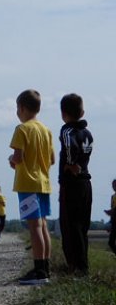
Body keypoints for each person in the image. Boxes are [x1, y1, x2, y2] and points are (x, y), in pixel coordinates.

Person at [8, 89, 55, 286]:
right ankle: (45, 267)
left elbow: (17, 157)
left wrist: (12, 159)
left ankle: (38, 272)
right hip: (43, 182)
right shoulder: (46, 130)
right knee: (43, 225)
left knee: (33, 226)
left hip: (27, 182)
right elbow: (52, 159)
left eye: (17, 108)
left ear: (22, 108)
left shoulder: (22, 129)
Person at [57, 94, 94, 277]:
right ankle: (83, 266)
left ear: (63, 114)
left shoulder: (67, 130)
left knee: (69, 226)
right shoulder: (87, 132)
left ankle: (73, 266)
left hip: (71, 183)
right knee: (82, 226)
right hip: (86, 183)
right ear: (82, 112)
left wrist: (70, 163)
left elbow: (69, 144)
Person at [105, 179, 116, 256]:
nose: (113, 187)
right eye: (113, 185)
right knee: (111, 242)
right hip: (114, 221)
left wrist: (112, 211)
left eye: (115, 185)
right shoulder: (112, 197)